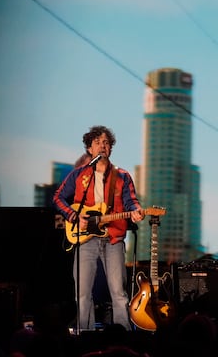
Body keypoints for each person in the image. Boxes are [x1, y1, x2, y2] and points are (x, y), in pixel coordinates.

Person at [53, 125, 145, 331]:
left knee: (118, 292)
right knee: (83, 292)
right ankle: (85, 334)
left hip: (113, 238)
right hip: (85, 238)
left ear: (111, 148)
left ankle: (123, 335)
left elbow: (131, 201)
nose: (103, 146)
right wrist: (74, 215)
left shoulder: (122, 176)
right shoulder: (78, 175)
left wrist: (137, 210)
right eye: (98, 143)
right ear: (89, 149)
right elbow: (58, 198)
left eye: (106, 143)